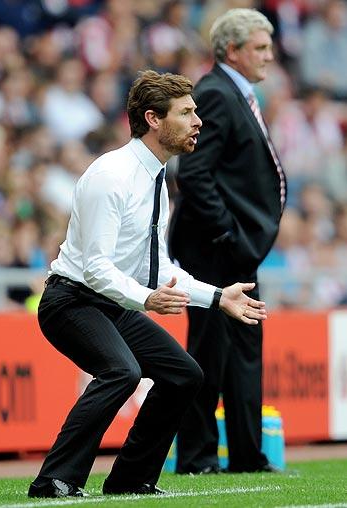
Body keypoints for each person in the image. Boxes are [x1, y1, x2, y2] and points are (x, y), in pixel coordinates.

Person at [27, 69, 267, 498]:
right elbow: (98, 268)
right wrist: (147, 299)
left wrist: (216, 297)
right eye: (188, 113)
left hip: (109, 303)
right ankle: (53, 480)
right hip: (70, 301)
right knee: (122, 371)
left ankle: (131, 478)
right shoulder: (112, 175)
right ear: (154, 119)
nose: (199, 121)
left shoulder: (157, 179)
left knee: (184, 375)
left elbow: (158, 269)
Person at [169, 8, 286, 474]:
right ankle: (197, 457)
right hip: (217, 250)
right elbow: (194, 172)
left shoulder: (234, 93)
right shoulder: (216, 93)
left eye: (269, 47)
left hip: (234, 250)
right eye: (259, 47)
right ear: (232, 50)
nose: (269, 56)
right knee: (211, 351)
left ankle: (246, 455)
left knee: (242, 352)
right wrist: (227, 233)